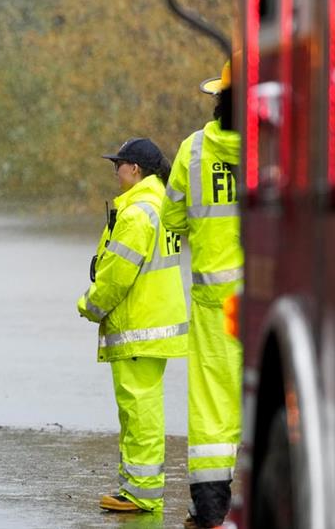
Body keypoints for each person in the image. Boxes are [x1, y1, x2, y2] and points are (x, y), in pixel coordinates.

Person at [77, 137, 188, 514]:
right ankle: (136, 488)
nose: (115, 170)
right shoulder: (160, 206)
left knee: (139, 410)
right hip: (153, 323)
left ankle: (142, 491)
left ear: (136, 169)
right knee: (140, 407)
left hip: (139, 324)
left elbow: (116, 276)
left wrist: (89, 306)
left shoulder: (139, 212)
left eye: (118, 164)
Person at [161, 61, 242, 529]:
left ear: (219, 101)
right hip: (275, 295)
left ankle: (210, 508)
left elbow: (172, 220)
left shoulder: (193, 150)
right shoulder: (285, 145)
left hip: (216, 300)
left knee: (213, 404)